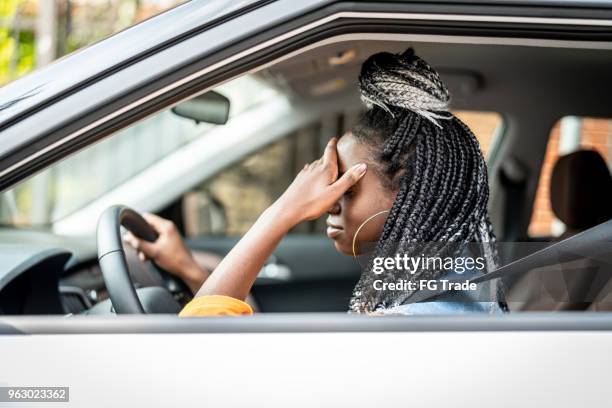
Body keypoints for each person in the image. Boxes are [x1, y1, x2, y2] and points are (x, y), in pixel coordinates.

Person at [125, 48, 505, 316]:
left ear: (408, 195)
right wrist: (192, 272)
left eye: (346, 187)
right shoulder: (438, 298)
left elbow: (196, 349)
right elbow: (251, 352)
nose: (327, 203)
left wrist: (283, 212)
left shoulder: (405, 331)